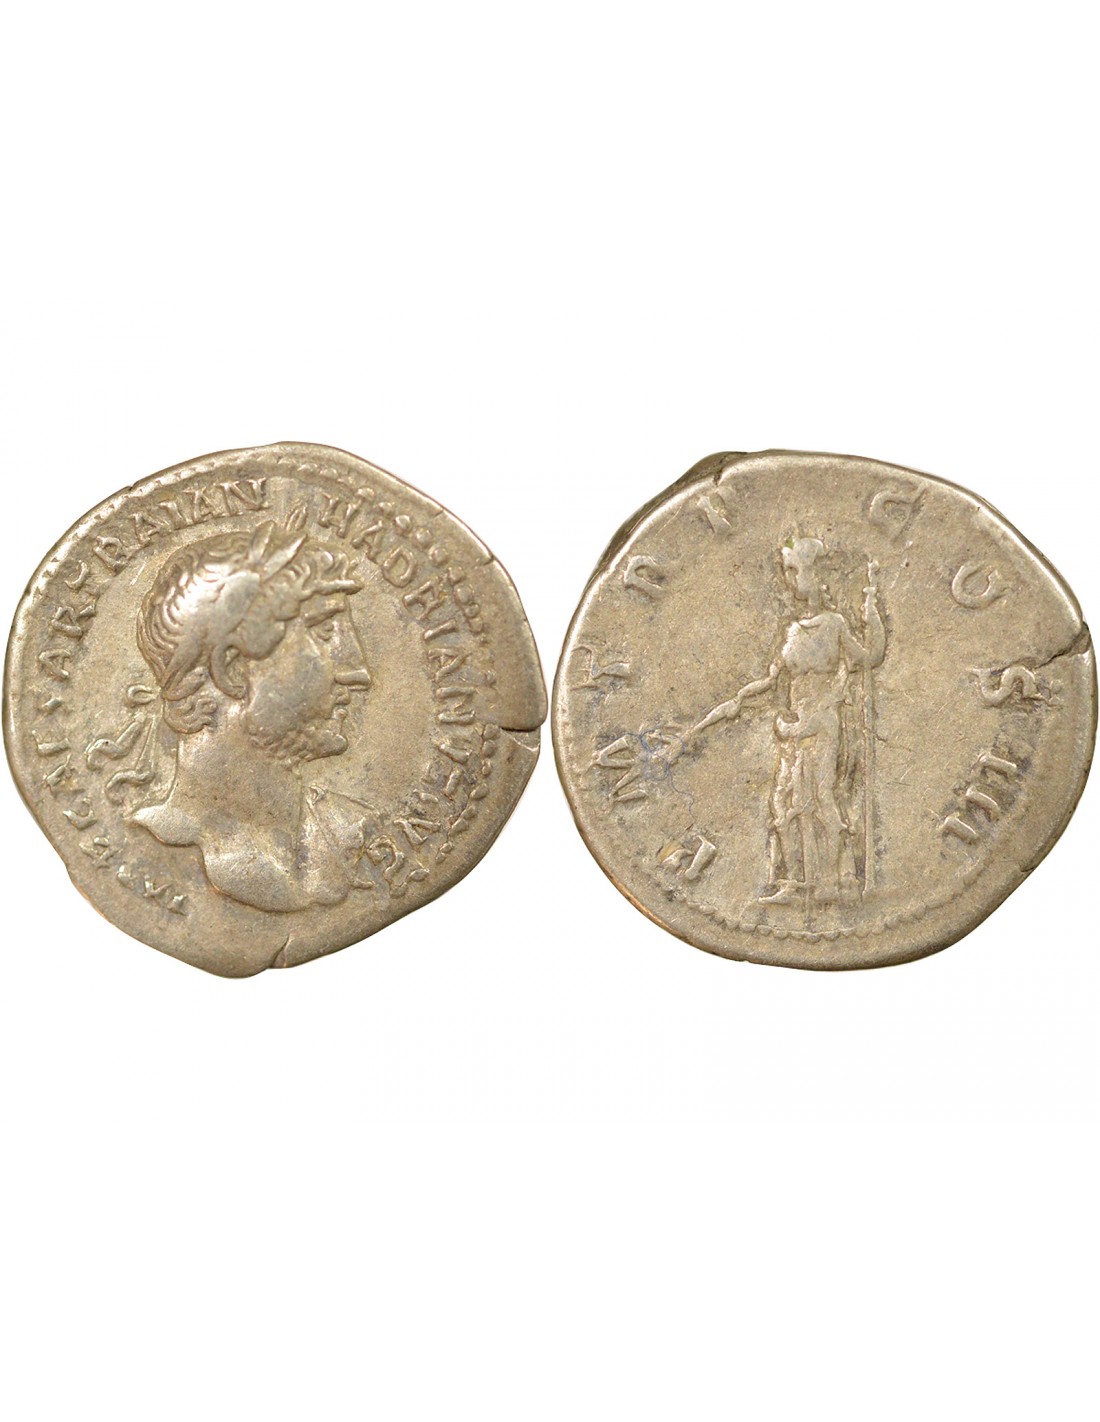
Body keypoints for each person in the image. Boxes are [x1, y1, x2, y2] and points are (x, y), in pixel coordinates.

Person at [131, 519, 373, 911]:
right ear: (232, 669)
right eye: (325, 633)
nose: (358, 671)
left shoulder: (350, 830)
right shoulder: (155, 846)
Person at [690, 537, 885, 904]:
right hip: (793, 728)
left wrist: (871, 611)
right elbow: (772, 680)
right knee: (785, 802)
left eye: (795, 571)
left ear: (815, 574)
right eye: (787, 572)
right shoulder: (793, 630)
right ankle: (794, 883)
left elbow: (868, 659)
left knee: (822, 797)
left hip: (823, 723)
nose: (790, 580)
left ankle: (835, 882)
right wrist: (737, 701)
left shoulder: (835, 624)